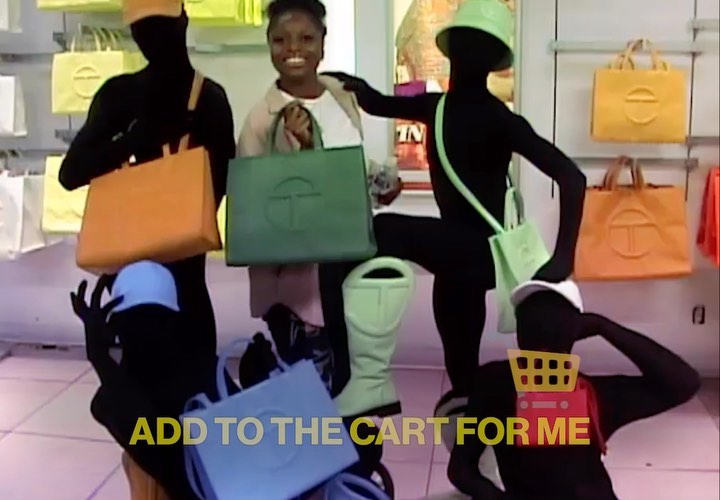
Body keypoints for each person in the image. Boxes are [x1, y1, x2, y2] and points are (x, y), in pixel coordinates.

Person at [322, 0, 586, 434]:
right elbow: (376, 103)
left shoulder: (499, 120)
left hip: (477, 250)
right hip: (456, 255)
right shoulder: (438, 107)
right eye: (465, 43)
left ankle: (359, 377)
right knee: (460, 360)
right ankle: (477, 438)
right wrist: (347, 85)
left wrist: (563, 259)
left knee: (376, 232)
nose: (469, 52)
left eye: (478, 45)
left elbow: (573, 178)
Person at [235, 0, 399, 489]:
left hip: (350, 270)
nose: (293, 49)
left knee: (352, 396)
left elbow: (349, 167)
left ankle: (351, 485)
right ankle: (316, 487)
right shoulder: (262, 119)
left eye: (306, 38)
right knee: (313, 404)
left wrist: (380, 183)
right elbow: (260, 203)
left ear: (323, 43)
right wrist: (301, 155)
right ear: (268, 45)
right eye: (280, 39)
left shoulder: (339, 95)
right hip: (299, 289)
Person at [58, 1, 236, 373]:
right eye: (143, 30)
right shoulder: (124, 95)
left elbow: (223, 183)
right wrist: (135, 141)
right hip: (146, 280)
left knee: (169, 386)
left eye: (160, 27)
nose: (152, 39)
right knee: (165, 390)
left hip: (155, 279)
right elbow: (70, 173)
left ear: (183, 22)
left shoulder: (207, 100)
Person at [447, 280, 701, 499]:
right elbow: (684, 382)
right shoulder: (597, 397)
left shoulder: (492, 383)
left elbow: (461, 470)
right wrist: (604, 327)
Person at [72, 262, 279, 500]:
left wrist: (101, 359)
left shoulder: (120, 404)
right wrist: (262, 387)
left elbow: (144, 431)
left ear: (117, 327)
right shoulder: (206, 371)